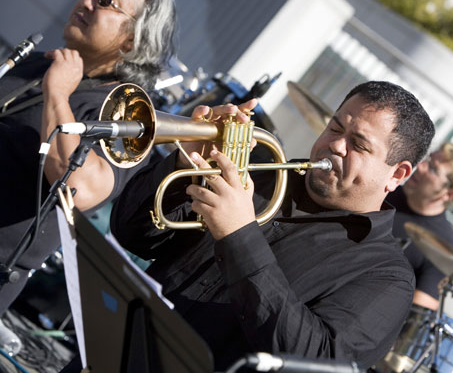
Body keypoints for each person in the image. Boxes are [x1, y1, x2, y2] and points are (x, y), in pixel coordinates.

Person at [110, 80, 436, 370]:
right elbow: (132, 233)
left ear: (397, 174)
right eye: (335, 129)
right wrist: (186, 162)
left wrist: (239, 236)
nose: (336, 145)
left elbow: (316, 360)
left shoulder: (387, 278)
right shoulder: (258, 178)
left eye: (359, 145)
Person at [0, 0, 176, 353]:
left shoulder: (125, 117)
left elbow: (78, 190)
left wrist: (58, 97)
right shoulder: (44, 64)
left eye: (105, 1)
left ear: (131, 41)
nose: (85, 2)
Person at [386, 142, 453, 311]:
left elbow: (416, 316)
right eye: (428, 159)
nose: (420, 166)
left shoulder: (443, 249)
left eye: (433, 169)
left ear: (450, 194)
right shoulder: (384, 188)